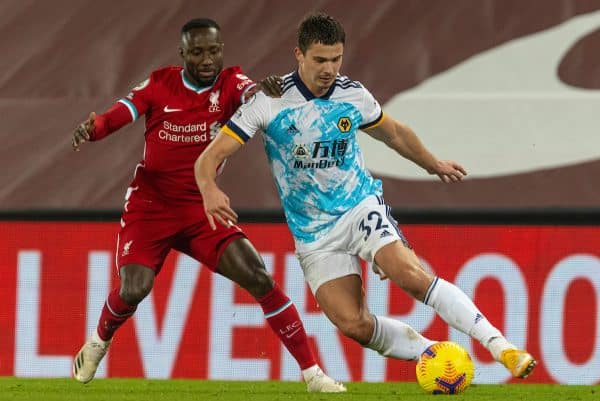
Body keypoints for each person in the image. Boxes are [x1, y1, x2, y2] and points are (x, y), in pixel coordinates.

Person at [194, 13, 537, 379]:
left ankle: (501, 346)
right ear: (299, 54)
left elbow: (395, 133)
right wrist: (209, 188)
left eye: (336, 59)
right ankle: (434, 355)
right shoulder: (270, 102)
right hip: (314, 234)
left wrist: (432, 163)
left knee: (409, 275)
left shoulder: (352, 95)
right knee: (353, 324)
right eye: (320, 59)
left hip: (359, 207)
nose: (329, 69)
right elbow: (209, 157)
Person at [70, 18, 345, 393]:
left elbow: (251, 95)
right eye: (197, 52)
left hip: (202, 209)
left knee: (258, 275)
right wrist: (95, 127)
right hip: (151, 207)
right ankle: (99, 340)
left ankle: (313, 374)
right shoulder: (159, 84)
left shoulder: (231, 83)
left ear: (221, 52)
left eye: (213, 51)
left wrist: (263, 91)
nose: (206, 60)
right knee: (134, 288)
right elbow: (121, 113)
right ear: (182, 54)